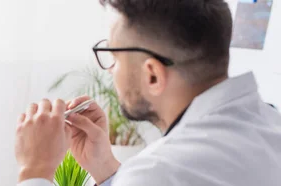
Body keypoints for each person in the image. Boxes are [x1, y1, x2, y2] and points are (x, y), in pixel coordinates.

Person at [15, 0, 281, 185]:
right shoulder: (272, 127)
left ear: (152, 74)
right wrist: (106, 168)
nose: (110, 71)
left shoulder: (161, 171)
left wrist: (35, 170)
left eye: (113, 57)